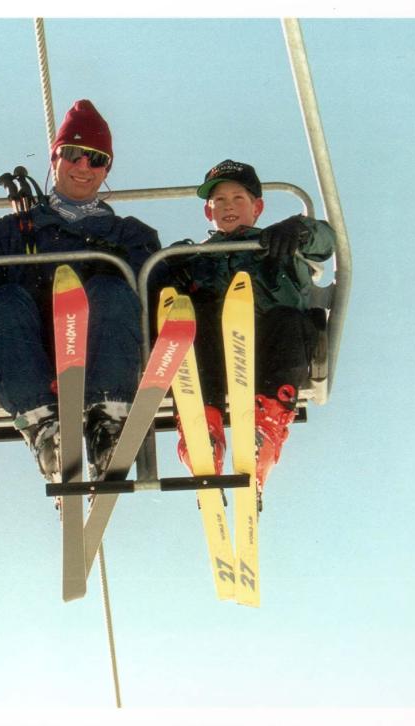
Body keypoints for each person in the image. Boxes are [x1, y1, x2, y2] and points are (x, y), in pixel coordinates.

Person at [0, 99, 160, 483]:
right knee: (3, 301)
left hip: (99, 344)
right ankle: (44, 427)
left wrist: (113, 274)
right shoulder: (9, 233)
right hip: (29, 343)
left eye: (96, 159)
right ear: (54, 160)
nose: (83, 167)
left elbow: (153, 292)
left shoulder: (131, 236)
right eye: (73, 154)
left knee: (111, 288)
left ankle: (108, 422)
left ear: (107, 170)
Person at [163, 159, 334, 507]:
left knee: (293, 321)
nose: (228, 207)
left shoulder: (280, 241)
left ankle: (262, 436)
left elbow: (327, 242)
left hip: (268, 349)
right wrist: (168, 269)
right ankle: (202, 432)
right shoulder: (196, 255)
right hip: (219, 356)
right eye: (219, 201)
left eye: (238, 199)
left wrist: (299, 230)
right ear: (207, 213)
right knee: (195, 318)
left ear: (257, 207)